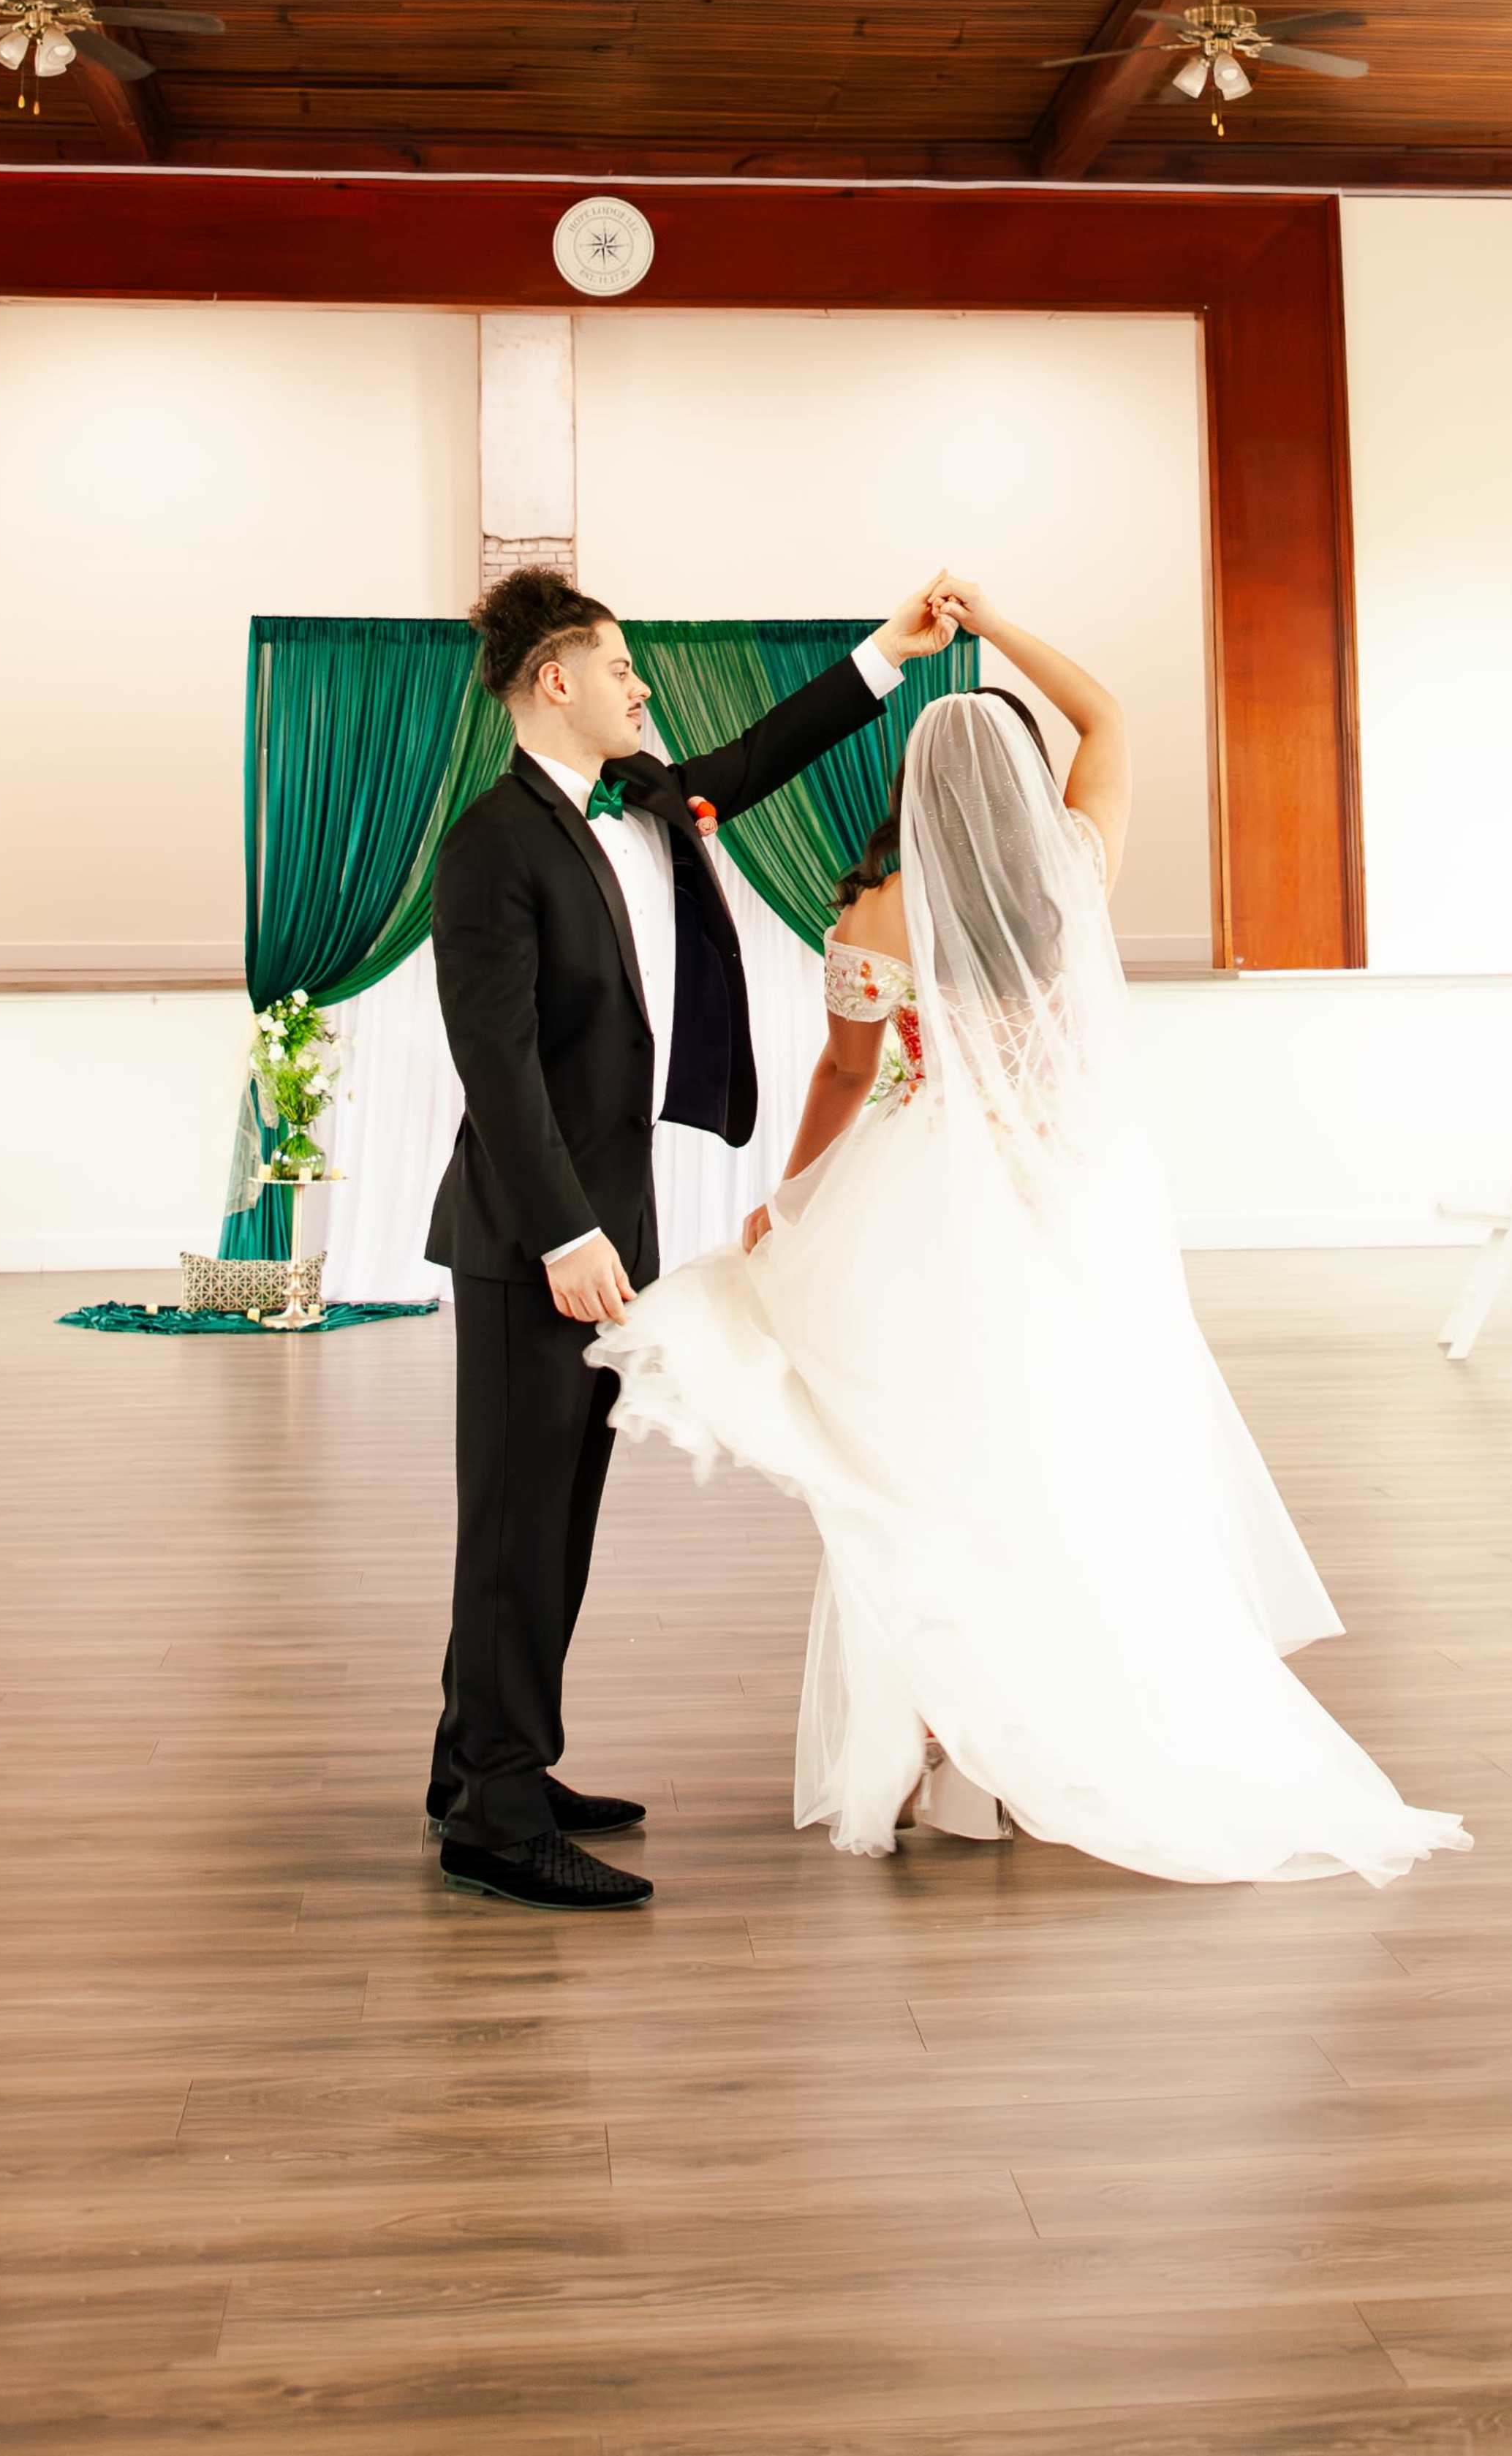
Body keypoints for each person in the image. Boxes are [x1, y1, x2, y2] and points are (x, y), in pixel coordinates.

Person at [591, 584, 1467, 1889]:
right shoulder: (1076, 873)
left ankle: (957, 1746)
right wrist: (994, 624)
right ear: (1022, 787)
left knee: (926, 1476)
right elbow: (1108, 713)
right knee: (1058, 1464)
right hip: (1062, 1206)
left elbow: (843, 1077)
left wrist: (792, 1194)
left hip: (919, 1209)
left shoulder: (868, 922)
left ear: (920, 800)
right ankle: (1044, 1730)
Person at [425, 567, 959, 1913]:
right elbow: (492, 1062)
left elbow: (757, 755)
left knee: (558, 1513)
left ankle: (488, 1765)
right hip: (534, 1234)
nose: (642, 687)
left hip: (613, 1217)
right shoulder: (494, 840)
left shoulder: (647, 799)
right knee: (516, 1521)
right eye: (622, 669)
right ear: (557, 679)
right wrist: (562, 1232)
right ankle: (495, 1820)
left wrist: (887, 654)